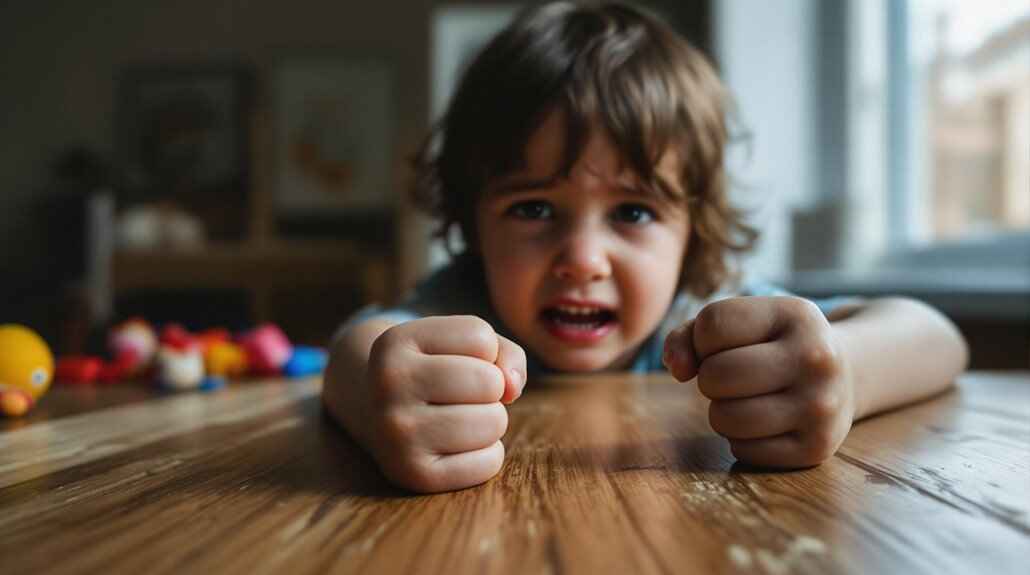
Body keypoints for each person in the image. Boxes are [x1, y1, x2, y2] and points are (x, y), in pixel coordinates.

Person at [321, 1, 968, 493]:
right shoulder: (463, 305)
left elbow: (937, 335)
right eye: (533, 208)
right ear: (472, 221)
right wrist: (381, 400)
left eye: (632, 211)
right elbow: (359, 349)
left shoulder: (708, 314)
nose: (582, 257)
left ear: (693, 231)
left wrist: (846, 371)